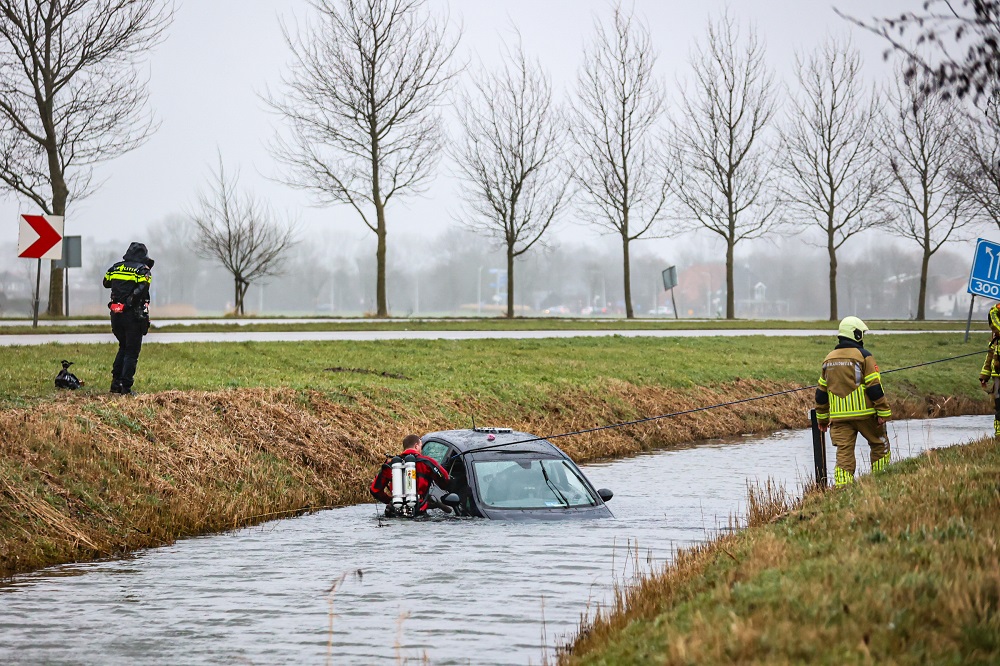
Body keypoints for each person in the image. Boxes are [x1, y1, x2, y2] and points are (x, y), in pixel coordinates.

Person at [815, 316, 893, 487]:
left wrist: (822, 418)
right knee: (879, 444)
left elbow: (821, 394)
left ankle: (843, 488)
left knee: (844, 453)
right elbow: (874, 387)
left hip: (839, 418)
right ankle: (880, 482)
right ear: (856, 334)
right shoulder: (864, 356)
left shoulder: (828, 359)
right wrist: (883, 412)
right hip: (866, 415)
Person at [103, 242, 153, 395]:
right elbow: (143, 288)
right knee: (132, 352)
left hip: (116, 314)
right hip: (132, 316)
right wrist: (130, 302)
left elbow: (106, 283)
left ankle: (115, 383)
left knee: (123, 347)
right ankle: (126, 387)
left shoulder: (115, 267)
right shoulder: (142, 270)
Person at [370, 434, 451, 516]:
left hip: (395, 511)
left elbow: (375, 490)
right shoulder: (427, 463)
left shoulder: (391, 465)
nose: (421, 450)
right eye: (421, 446)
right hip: (419, 512)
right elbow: (446, 480)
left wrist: (391, 500)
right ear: (416, 446)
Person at [978, 302, 1000, 437]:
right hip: (998, 375)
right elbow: (990, 355)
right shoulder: (996, 337)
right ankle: (999, 434)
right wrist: (984, 376)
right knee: (999, 404)